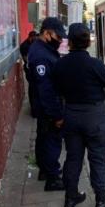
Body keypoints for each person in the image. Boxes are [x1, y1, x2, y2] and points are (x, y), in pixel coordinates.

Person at [52, 23, 105, 207]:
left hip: (71, 115)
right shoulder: (95, 64)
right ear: (88, 42)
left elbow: (56, 92)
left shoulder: (60, 64)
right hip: (95, 117)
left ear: (69, 42)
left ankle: (70, 198)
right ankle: (100, 200)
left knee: (73, 158)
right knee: (97, 159)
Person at [27, 17, 66, 191]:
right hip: (48, 108)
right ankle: (52, 178)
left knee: (43, 139)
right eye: (57, 37)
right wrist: (56, 115)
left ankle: (44, 170)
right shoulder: (41, 55)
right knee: (51, 141)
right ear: (47, 33)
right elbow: (46, 90)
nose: (60, 41)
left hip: (43, 106)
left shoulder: (42, 49)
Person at [20, 30, 38, 114]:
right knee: (32, 89)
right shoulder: (24, 45)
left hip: (35, 69)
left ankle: (36, 108)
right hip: (29, 70)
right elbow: (26, 59)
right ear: (30, 37)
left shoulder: (35, 43)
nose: (35, 39)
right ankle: (34, 110)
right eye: (33, 38)